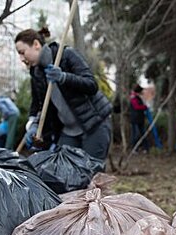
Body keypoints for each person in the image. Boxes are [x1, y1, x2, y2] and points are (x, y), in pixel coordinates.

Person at [15, 28, 112, 161]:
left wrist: (64, 77)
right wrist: (34, 126)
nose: (21, 58)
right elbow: (41, 107)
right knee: (63, 173)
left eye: (22, 52)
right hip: (68, 131)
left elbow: (91, 85)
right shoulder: (36, 73)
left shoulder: (66, 55)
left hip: (93, 125)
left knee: (92, 176)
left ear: (36, 45)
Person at [129, 84, 149, 153]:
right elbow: (137, 107)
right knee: (136, 134)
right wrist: (145, 107)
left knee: (143, 133)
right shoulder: (133, 98)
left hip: (140, 119)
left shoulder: (139, 97)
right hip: (135, 119)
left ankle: (145, 148)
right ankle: (134, 149)